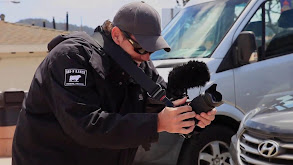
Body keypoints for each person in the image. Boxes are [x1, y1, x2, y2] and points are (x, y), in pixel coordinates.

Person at [12, 1, 216, 165]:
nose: (146, 57)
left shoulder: (138, 63)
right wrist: (159, 123)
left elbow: (160, 102)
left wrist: (189, 117)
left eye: (152, 50)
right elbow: (85, 126)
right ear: (117, 35)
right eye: (142, 48)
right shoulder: (71, 58)